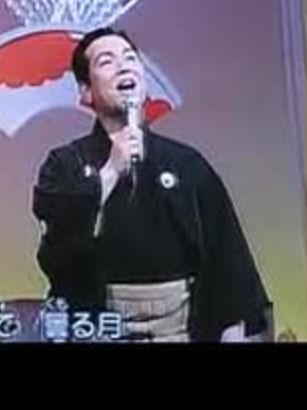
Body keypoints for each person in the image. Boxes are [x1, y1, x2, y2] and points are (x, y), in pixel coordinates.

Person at [32, 27, 271, 342]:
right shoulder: (63, 165)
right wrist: (111, 170)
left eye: (130, 58)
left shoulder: (187, 164)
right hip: (96, 330)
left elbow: (228, 266)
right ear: (86, 92)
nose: (124, 66)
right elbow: (57, 254)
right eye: (106, 61)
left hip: (178, 332)